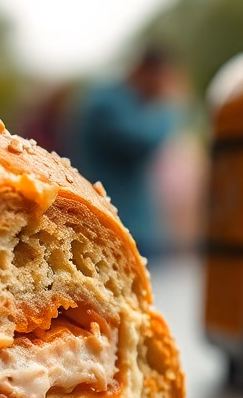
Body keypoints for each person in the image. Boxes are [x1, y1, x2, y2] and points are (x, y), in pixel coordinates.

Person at [71, 47, 186, 258]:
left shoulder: (126, 102)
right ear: (147, 72)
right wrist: (168, 108)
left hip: (129, 219)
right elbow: (142, 141)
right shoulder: (107, 103)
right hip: (112, 218)